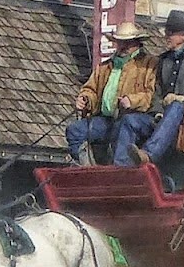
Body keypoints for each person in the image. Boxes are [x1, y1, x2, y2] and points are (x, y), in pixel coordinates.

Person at [112, 9, 184, 173]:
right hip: (164, 119)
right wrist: (157, 112)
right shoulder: (163, 60)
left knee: (176, 106)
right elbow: (157, 93)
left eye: (170, 32)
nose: (165, 35)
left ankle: (149, 153)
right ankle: (121, 170)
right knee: (130, 121)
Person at [65, 22, 156, 165]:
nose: (124, 46)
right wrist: (86, 99)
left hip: (132, 119)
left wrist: (131, 100)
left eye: (128, 42)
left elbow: (152, 94)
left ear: (137, 43)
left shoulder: (149, 64)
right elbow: (91, 89)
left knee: (125, 126)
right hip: (105, 120)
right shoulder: (105, 66)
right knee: (75, 131)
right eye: (120, 42)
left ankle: (119, 170)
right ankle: (87, 167)